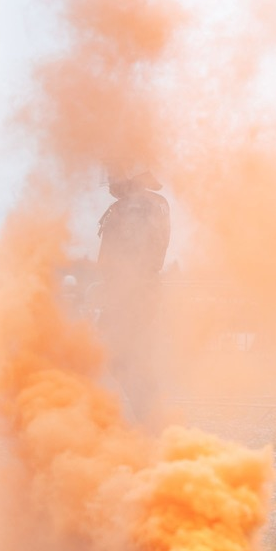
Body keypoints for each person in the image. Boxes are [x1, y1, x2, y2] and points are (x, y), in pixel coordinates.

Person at [96, 167, 170, 423]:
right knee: (128, 357)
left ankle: (152, 421)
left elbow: (130, 259)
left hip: (130, 293)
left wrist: (116, 297)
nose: (109, 184)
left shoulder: (136, 208)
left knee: (126, 357)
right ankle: (151, 420)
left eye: (113, 177)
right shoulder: (149, 205)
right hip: (134, 292)